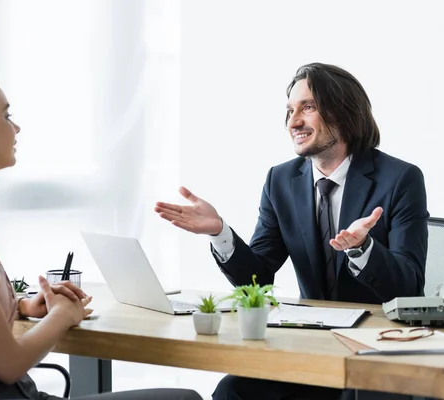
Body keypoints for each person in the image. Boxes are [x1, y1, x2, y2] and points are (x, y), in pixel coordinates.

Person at [0, 65, 203, 400]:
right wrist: (63, 315)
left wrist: (22, 306)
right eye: (6, 115)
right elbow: (8, 363)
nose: (16, 128)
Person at [155, 62, 429, 400]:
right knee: (232, 391)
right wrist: (219, 232)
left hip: (376, 353)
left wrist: (363, 249)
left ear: (344, 113)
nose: (293, 121)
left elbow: (411, 285)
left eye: (308, 107)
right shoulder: (280, 180)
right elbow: (258, 278)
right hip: (310, 348)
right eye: (289, 110)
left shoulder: (400, 179)